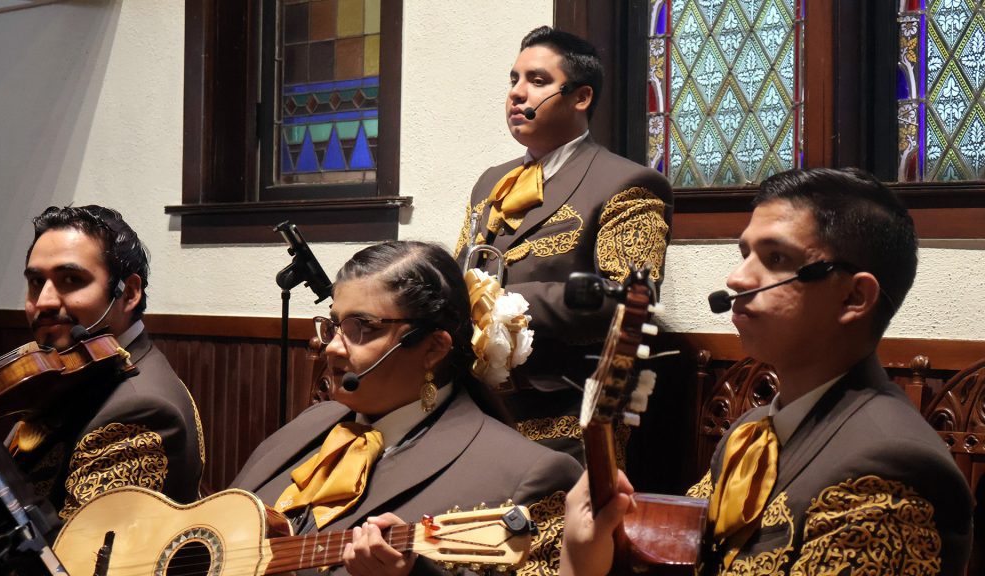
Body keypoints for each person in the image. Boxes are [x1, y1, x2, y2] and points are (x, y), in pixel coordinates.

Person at [561, 168, 973, 576]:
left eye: (776, 258)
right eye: (746, 254)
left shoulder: (892, 471)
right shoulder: (750, 429)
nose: (737, 278)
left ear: (854, 297)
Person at [231, 241, 582, 576]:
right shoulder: (312, 422)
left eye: (362, 328)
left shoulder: (529, 476)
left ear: (432, 347)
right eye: (335, 325)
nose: (333, 348)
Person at [454, 26, 672, 463]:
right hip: (475, 407)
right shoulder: (490, 182)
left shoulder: (627, 183)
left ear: (581, 97)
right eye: (513, 80)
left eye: (537, 81)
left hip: (564, 415)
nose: (517, 94)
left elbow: (632, 301)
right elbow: (462, 274)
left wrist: (503, 303)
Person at [0, 205, 205, 523]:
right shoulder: (69, 370)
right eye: (36, 283)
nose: (44, 301)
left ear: (128, 293)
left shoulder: (144, 410)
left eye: (71, 279)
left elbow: (67, 559)